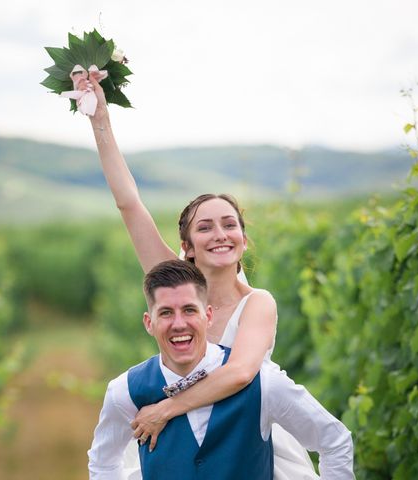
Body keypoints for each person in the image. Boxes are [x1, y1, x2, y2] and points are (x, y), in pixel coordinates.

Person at [83, 73, 326, 478]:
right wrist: (99, 119)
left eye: (229, 225)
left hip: (243, 443)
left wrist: (167, 408)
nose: (220, 235)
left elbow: (240, 373)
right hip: (177, 441)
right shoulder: (171, 279)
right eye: (205, 227)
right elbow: (129, 204)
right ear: (188, 245)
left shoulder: (258, 302)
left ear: (244, 240)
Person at [88, 260, 354, 479]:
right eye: (166, 313)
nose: (179, 324)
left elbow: (334, 441)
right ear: (149, 322)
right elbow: (103, 463)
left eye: (190, 310)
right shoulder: (125, 391)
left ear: (209, 316)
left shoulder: (264, 384)